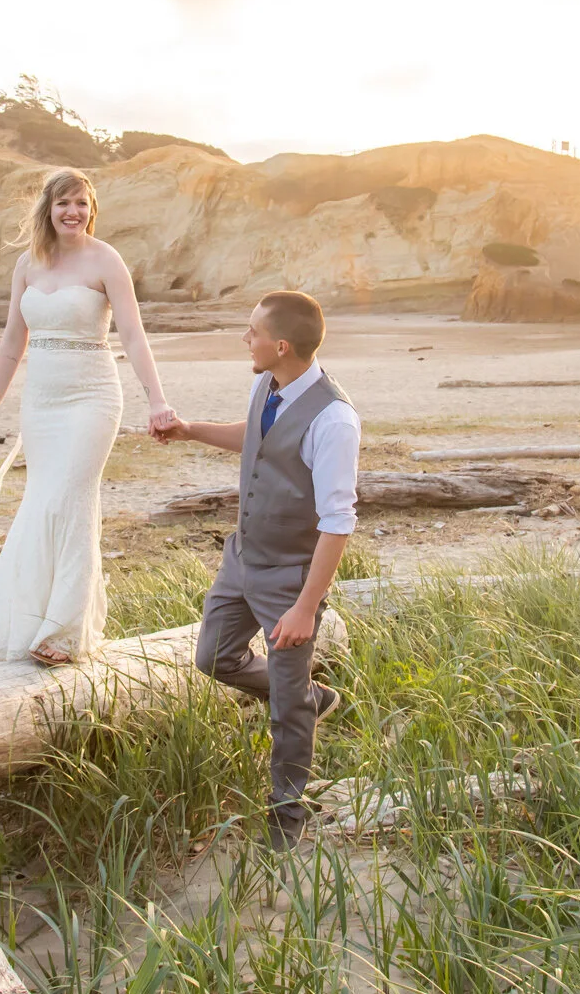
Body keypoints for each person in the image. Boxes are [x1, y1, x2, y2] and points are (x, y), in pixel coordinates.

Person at [151, 290, 360, 849]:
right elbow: (256, 440)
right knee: (213, 657)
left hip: (289, 576)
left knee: (285, 710)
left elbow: (338, 523)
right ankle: (310, 699)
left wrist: (305, 608)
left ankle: (287, 818)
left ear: (281, 345)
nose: (246, 339)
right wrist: (191, 430)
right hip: (241, 558)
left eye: (253, 333)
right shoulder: (265, 384)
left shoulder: (335, 419)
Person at [0, 168, 176, 666]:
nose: (73, 212)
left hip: (92, 398)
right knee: (41, 501)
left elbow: (132, 334)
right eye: (64, 202)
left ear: (92, 208)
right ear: (47, 208)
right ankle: (30, 621)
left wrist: (157, 400)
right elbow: (10, 343)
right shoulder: (27, 264)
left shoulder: (106, 260)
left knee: (71, 498)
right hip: (40, 403)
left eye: (82, 203)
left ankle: (63, 632)